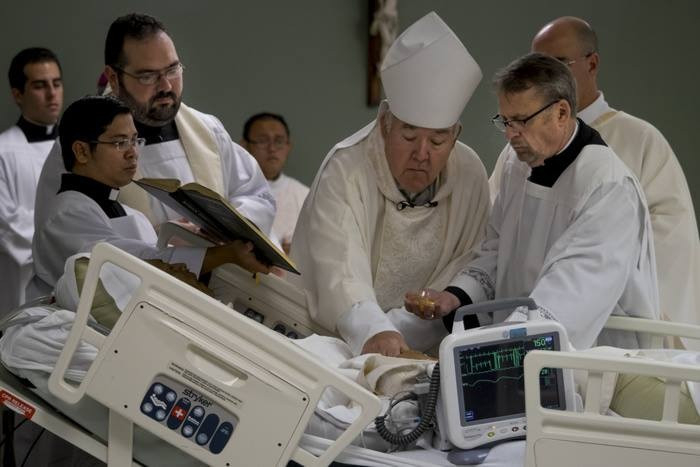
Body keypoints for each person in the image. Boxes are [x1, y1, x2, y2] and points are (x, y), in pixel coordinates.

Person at [406, 53, 658, 350]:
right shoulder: (515, 163)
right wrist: (457, 295)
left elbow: (572, 293)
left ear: (561, 113)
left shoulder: (607, 187)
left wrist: (503, 344)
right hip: (519, 339)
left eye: (521, 121)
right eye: (505, 121)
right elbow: (497, 248)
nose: (510, 134)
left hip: (596, 358)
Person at [490, 17, 700, 347]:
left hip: (598, 320)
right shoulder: (516, 151)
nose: (548, 74)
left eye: (558, 63)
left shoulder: (638, 142)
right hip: (529, 316)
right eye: (538, 63)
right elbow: (497, 236)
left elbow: (670, 238)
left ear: (592, 63)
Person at [291, 12, 489, 357]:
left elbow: (468, 261)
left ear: (455, 135)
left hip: (425, 351)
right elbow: (338, 266)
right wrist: (374, 329)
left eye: (438, 141)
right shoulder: (347, 168)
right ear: (385, 123)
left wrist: (402, 331)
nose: (422, 155)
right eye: (409, 136)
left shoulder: (470, 174)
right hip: (337, 345)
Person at [34, 13, 275, 244]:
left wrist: (220, 229)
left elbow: (257, 196)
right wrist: (159, 239)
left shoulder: (208, 132)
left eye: (172, 70)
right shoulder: (83, 144)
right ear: (114, 78)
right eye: (148, 76)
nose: (166, 86)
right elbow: (64, 233)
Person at [32, 95, 270, 293]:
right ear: (82, 151)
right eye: (119, 142)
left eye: (135, 140)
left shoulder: (128, 213)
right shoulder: (66, 213)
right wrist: (226, 254)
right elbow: (131, 265)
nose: (133, 153)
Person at [0, 47, 63, 315]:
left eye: (56, 84)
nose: (52, 94)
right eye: (40, 86)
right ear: (18, 94)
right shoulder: (4, 151)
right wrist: (68, 240)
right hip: (22, 292)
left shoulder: (77, 149)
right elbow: (9, 228)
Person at [242, 112, 309, 253]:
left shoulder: (305, 196)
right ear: (245, 145)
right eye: (262, 141)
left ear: (288, 146)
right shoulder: (230, 190)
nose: (272, 149)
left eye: (279, 141)